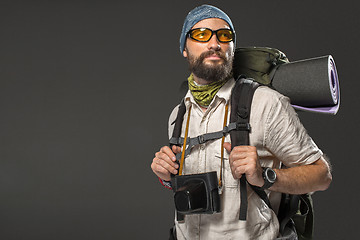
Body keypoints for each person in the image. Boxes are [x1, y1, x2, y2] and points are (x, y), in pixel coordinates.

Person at [150, 4, 332, 240]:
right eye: (201, 35)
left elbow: (321, 175)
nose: (214, 43)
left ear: (232, 48)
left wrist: (265, 175)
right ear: (185, 48)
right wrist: (168, 177)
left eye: (224, 36)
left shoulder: (265, 104)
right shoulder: (178, 115)